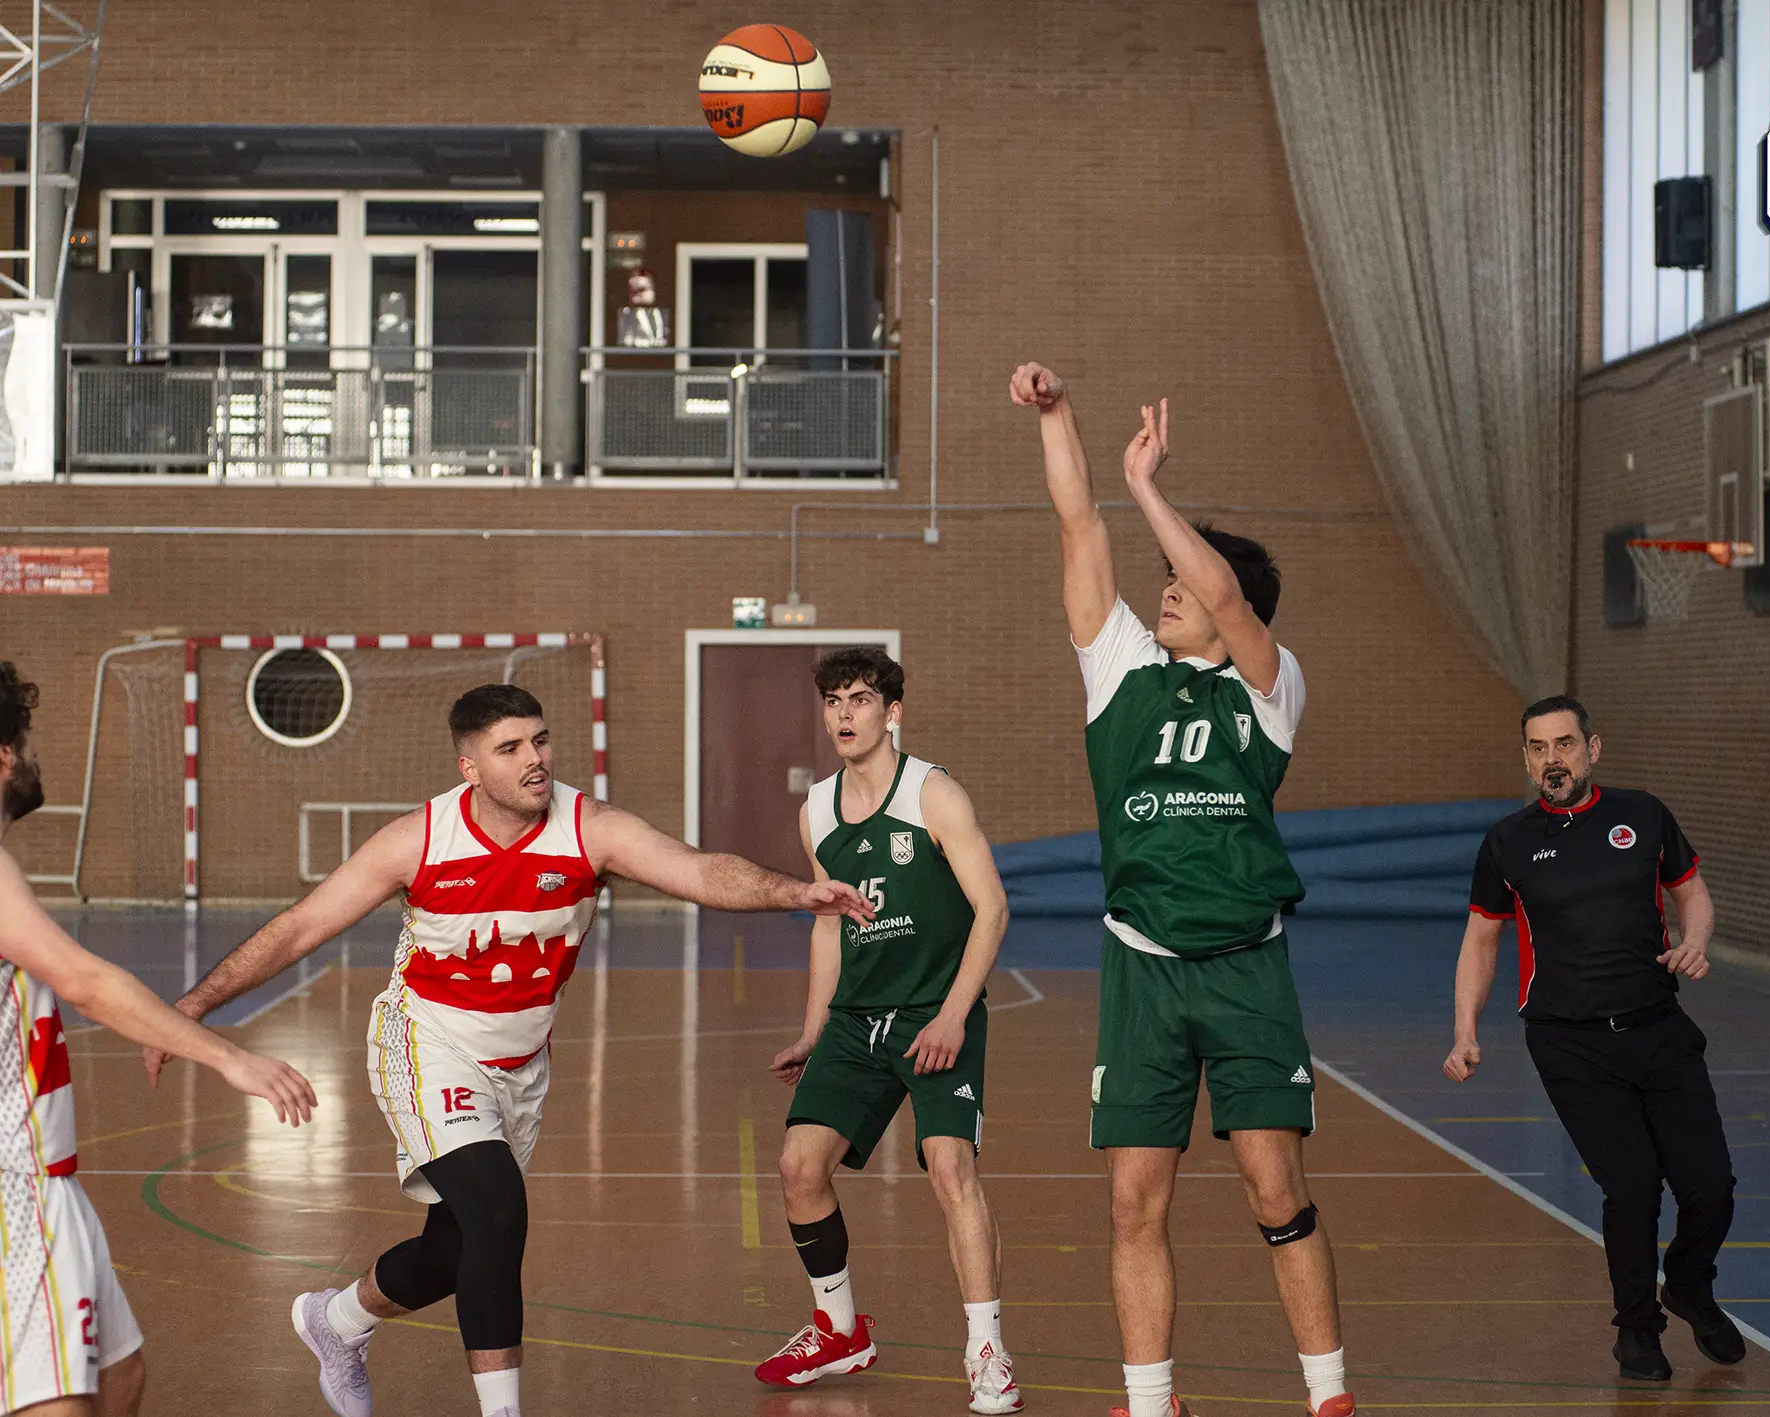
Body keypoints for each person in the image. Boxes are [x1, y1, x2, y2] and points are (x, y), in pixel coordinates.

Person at [139, 683, 872, 1417]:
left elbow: (699, 869)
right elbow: (301, 926)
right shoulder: (419, 840)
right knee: (497, 1213)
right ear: (470, 768)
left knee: (452, 1253)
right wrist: (194, 1006)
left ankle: (337, 1320)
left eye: (540, 740)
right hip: (426, 1040)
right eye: (511, 748)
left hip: (519, 1065)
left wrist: (792, 892)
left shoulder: (590, 829)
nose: (534, 759)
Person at [1012, 363, 1351, 1417]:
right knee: (1131, 1202)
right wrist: (1059, 417)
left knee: (1274, 1188)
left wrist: (1149, 490)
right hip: (1143, 969)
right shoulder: (1120, 670)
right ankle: (1150, 1400)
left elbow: (1227, 597)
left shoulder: (1269, 685)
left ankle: (1328, 1395)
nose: (1164, 589)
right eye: (1161, 576)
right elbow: (1078, 531)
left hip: (1246, 967)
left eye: (1180, 580)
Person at [0, 661, 317, 1417]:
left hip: (48, 1181)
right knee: (59, 1403)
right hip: (17, 1184)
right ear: (4, 756)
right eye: (29, 738)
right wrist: (229, 1056)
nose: (38, 753)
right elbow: (85, 980)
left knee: (121, 1376)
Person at [1445, 696, 1745, 1382]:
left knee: (1710, 1187)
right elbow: (1481, 940)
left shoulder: (1644, 815)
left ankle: (1689, 1285)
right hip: (1569, 1043)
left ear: (1592, 748)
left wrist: (1696, 941)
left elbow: (1691, 893)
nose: (1552, 759)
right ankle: (1636, 1330)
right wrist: (1464, 1031)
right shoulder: (1508, 841)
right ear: (1526, 759)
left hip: (1659, 1030)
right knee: (1632, 1186)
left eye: (1564, 744)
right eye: (1537, 748)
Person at [757, 648, 1021, 1412]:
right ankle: (839, 1330)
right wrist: (812, 1031)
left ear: (892, 711)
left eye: (861, 698)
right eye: (833, 700)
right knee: (799, 1166)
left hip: (935, 1008)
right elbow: (828, 926)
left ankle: (987, 1352)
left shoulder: (932, 792)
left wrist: (951, 1014)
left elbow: (992, 907)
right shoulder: (816, 810)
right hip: (855, 1020)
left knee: (949, 1167)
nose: (844, 714)